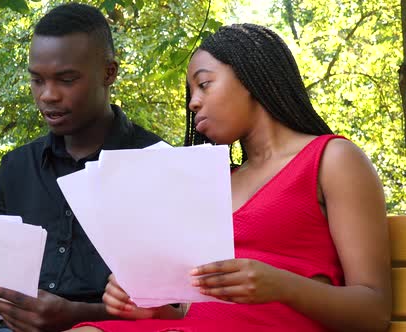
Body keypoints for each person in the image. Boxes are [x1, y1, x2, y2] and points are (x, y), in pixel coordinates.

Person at [71, 23, 391, 332]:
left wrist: (283, 285)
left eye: (204, 84)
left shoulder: (332, 158)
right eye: (191, 92)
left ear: (251, 77)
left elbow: (374, 313)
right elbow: (192, 306)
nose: (193, 102)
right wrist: (151, 307)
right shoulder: (216, 182)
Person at [0, 3, 164, 331]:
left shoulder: (158, 163)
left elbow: (177, 310)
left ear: (109, 73)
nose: (48, 95)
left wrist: (75, 315)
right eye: (37, 80)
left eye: (66, 80)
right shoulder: (17, 168)